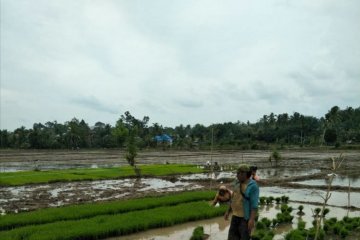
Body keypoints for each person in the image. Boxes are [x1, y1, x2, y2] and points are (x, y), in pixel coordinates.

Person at [224, 164, 259, 240]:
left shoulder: (253, 186)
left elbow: (254, 205)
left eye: (238, 173)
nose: (237, 175)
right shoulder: (237, 183)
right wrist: (228, 211)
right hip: (235, 216)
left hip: (245, 219)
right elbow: (233, 198)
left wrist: (251, 220)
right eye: (237, 173)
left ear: (244, 174)